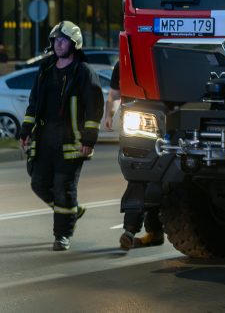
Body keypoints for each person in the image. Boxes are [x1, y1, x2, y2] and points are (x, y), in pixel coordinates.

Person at [19, 21, 104, 251]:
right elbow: (34, 102)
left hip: (71, 142)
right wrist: (25, 130)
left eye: (64, 40)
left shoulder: (84, 72)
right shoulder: (46, 68)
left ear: (74, 44)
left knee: (63, 189)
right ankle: (72, 212)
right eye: (56, 40)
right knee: (38, 183)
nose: (58, 44)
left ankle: (62, 235)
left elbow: (94, 107)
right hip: (44, 139)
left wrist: (89, 139)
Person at [108, 60, 165, 251]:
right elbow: (115, 94)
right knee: (141, 179)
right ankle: (141, 232)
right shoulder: (122, 64)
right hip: (137, 128)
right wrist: (110, 114)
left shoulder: (156, 60)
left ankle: (134, 232)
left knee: (148, 181)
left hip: (156, 126)